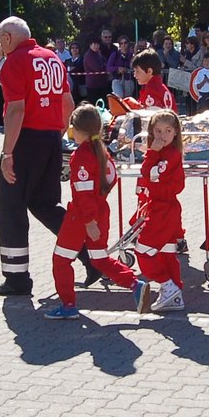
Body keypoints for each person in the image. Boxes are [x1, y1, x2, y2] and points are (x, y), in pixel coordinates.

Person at [0, 16, 75, 297]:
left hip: (26, 139)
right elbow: (68, 103)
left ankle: (16, 277)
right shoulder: (52, 58)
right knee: (45, 203)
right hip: (51, 138)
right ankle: (89, 254)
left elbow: (16, 110)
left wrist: (7, 153)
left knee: (11, 206)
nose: (0, 46)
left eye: (1, 40)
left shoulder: (14, 61)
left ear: (8, 38)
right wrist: (57, 135)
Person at [44, 104, 143, 320]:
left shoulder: (81, 155)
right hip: (100, 212)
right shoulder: (102, 152)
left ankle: (68, 305)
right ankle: (135, 284)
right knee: (99, 259)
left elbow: (83, 193)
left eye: (72, 127)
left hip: (81, 217)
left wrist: (88, 220)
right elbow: (109, 180)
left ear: (79, 130)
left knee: (61, 260)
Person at [134, 110, 187, 313]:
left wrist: (151, 153)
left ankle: (168, 286)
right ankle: (174, 295)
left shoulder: (170, 155)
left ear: (175, 133)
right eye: (157, 130)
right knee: (166, 253)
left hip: (163, 211)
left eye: (167, 130)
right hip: (161, 208)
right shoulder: (164, 153)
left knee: (143, 251)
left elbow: (148, 173)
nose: (162, 135)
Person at [79, 38, 109, 102]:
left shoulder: (98, 54)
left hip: (101, 84)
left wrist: (104, 65)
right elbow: (97, 68)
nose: (96, 46)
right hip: (93, 85)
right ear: (90, 45)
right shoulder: (88, 55)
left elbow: (106, 63)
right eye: (94, 44)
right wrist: (104, 66)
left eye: (97, 45)